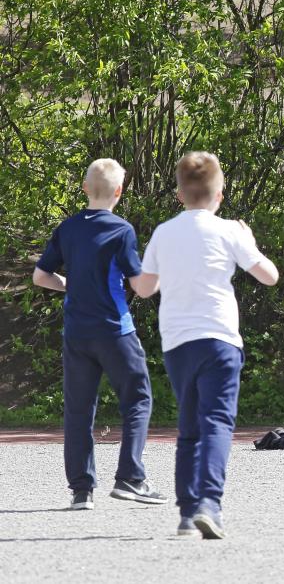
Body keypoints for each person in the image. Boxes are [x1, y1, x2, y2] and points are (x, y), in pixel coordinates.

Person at [134, 152, 279, 539]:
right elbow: (269, 276)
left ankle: (185, 512)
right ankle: (209, 504)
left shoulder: (164, 232)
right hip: (220, 339)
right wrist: (250, 241)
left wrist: (163, 273)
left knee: (189, 426)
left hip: (178, 342)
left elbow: (145, 289)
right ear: (220, 194)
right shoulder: (230, 230)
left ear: (179, 194)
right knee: (217, 422)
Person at [32, 158, 165, 511]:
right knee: (137, 399)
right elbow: (141, 286)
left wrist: (70, 285)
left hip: (77, 332)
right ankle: (130, 478)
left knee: (79, 410)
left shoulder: (68, 228)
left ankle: (81, 491)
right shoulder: (122, 231)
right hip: (115, 330)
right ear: (119, 192)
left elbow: (41, 277)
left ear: (85, 188)